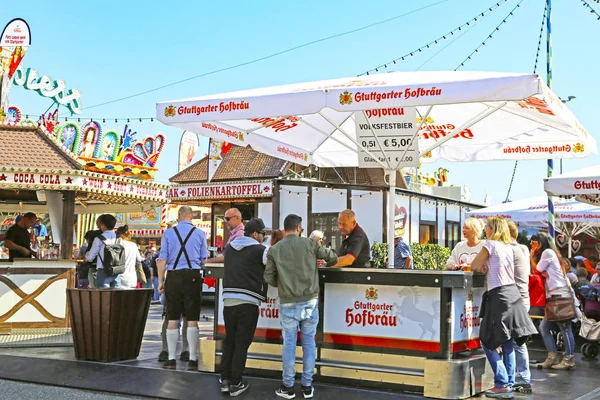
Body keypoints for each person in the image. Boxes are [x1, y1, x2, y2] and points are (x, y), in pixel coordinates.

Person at [265, 214, 338, 399]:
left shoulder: (274, 249)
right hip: (310, 301)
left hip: (288, 302)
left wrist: (282, 284)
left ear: (284, 230)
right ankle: (307, 386)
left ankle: (288, 386)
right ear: (299, 228)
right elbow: (333, 258)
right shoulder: (310, 244)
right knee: (308, 343)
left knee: (289, 344)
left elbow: (268, 277)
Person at [471, 217, 536, 399]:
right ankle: (508, 383)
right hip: (512, 294)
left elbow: (474, 266)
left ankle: (501, 384)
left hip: (498, 296)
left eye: (487, 227)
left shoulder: (490, 244)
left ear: (492, 229)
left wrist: (481, 268)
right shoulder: (509, 247)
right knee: (507, 341)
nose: (485, 229)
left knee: (486, 339)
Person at [219, 218, 268, 396]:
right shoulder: (261, 250)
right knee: (242, 343)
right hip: (248, 301)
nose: (264, 237)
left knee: (230, 341)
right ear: (255, 234)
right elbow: (271, 269)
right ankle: (236, 382)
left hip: (229, 301)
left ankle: (224, 379)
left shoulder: (229, 248)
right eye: (263, 234)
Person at [157, 206, 208, 371]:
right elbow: (203, 260)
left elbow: (162, 259)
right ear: (191, 216)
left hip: (173, 276)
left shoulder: (169, 233)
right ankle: (193, 359)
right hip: (193, 276)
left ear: (179, 216)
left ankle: (171, 359)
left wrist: (160, 281)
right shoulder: (200, 233)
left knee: (172, 318)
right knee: (192, 319)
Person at [532, 232, 577, 371]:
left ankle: (568, 359)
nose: (531, 245)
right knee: (545, 327)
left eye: (534, 243)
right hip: (555, 295)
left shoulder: (547, 252)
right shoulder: (551, 253)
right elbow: (539, 271)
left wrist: (531, 255)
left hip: (559, 295)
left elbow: (537, 269)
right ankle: (553, 357)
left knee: (564, 328)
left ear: (541, 243)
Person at [506, 221, 532, 394]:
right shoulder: (523, 249)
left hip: (514, 300)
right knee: (517, 340)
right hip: (522, 299)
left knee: (516, 342)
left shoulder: (510, 250)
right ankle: (518, 378)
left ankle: (521, 379)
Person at [86, 215, 122, 289]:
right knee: (117, 297)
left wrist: (86, 256)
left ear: (104, 225)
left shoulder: (99, 239)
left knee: (103, 297)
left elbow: (90, 257)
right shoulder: (118, 238)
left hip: (103, 271)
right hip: (116, 271)